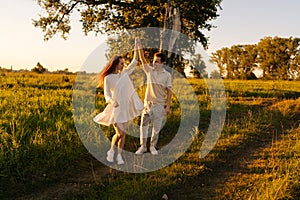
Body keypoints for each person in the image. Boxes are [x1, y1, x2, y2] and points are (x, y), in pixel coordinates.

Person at [94, 38, 144, 164]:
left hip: (125, 108)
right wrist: (112, 102)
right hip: (115, 108)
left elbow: (135, 61)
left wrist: (137, 47)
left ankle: (119, 155)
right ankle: (111, 150)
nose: (123, 65)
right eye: (121, 63)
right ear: (115, 64)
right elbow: (107, 94)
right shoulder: (108, 78)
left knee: (123, 134)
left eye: (123, 63)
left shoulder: (124, 74)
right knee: (120, 133)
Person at [135, 39, 172, 155]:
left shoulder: (167, 76)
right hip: (147, 104)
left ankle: (152, 146)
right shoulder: (150, 71)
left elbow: (169, 92)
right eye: (154, 61)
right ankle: (143, 146)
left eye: (157, 62)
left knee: (156, 128)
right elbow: (142, 60)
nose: (154, 63)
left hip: (159, 105)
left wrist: (168, 107)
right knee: (144, 126)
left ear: (162, 63)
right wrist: (139, 47)